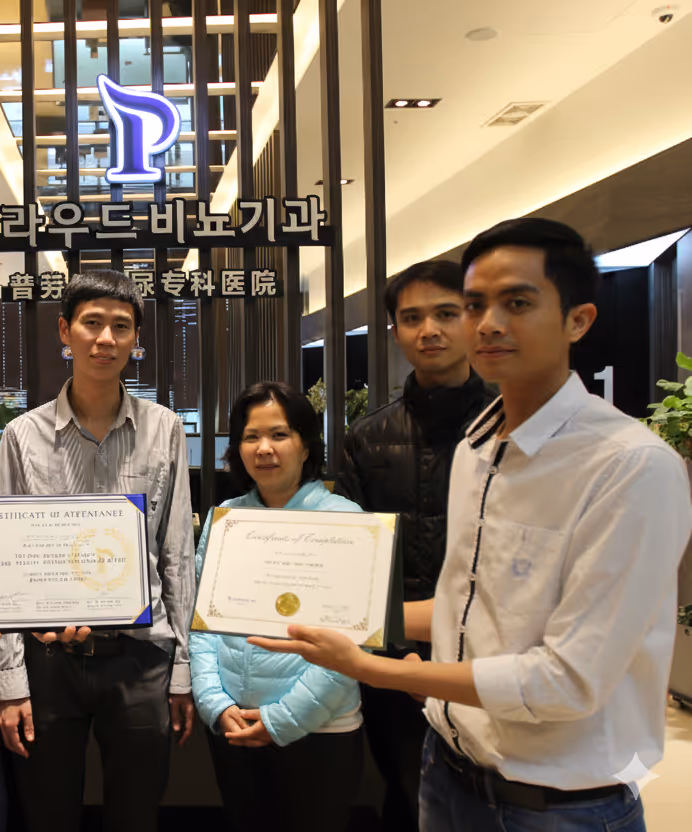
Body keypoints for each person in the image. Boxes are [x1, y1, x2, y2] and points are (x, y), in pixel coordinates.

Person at [250, 218, 692, 832]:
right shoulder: (479, 449)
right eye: (478, 303)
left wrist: (374, 665)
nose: (488, 323)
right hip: (450, 768)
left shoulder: (631, 467)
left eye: (517, 303)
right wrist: (346, 622)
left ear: (578, 319)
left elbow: (567, 681)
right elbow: (464, 601)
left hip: (556, 803)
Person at [0, 270, 196, 832]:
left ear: (136, 340)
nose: (106, 338)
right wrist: (9, 684)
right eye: (92, 324)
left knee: (136, 815)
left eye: (121, 327)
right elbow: (1, 567)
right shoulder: (21, 436)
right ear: (66, 330)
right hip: (49, 661)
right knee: (47, 814)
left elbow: (176, 554)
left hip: (140, 659)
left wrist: (182, 673)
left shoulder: (166, 430)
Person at [333, 259, 495, 831]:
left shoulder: (511, 427)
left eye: (447, 313)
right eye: (412, 317)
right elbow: (350, 559)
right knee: (407, 791)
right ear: (394, 331)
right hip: (393, 655)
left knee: (489, 797)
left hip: (491, 654)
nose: (430, 330)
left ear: (474, 319)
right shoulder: (367, 437)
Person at [190, 381, 364, 832]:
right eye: (251, 437)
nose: (264, 448)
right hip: (235, 723)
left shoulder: (346, 521)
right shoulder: (226, 518)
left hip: (320, 729)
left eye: (280, 435)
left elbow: (350, 645)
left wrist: (281, 720)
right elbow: (201, 621)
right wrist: (213, 702)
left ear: (306, 445)